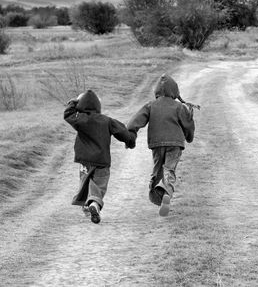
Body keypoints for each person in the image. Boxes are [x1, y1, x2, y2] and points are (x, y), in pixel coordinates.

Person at [127, 74, 195, 216]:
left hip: (157, 143)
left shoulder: (150, 105)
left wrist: (130, 135)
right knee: (169, 170)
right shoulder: (179, 106)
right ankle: (166, 194)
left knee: (157, 169)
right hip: (175, 143)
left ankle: (154, 190)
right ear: (174, 91)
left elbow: (135, 121)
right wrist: (189, 137)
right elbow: (188, 125)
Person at [64, 89, 136, 224]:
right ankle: (94, 205)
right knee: (99, 185)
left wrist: (74, 102)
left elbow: (67, 114)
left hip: (85, 160)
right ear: (98, 106)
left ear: (81, 106)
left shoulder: (80, 120)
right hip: (102, 161)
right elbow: (123, 132)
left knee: (86, 182)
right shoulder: (107, 121)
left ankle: (87, 206)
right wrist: (130, 141)